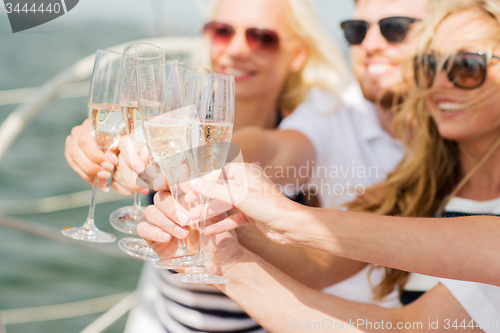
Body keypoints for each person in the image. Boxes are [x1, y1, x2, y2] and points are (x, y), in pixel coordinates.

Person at [141, 0, 500, 330]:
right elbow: (275, 153)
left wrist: (285, 217)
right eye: (429, 64)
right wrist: (218, 243)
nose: (438, 82)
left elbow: (416, 325)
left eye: (467, 66)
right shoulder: (416, 180)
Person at [65, 0, 350, 331]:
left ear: (297, 54)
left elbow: (250, 150)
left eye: (262, 37)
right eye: (222, 32)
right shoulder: (170, 118)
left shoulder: (302, 134)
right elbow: (131, 145)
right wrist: (106, 154)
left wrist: (168, 164)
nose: (237, 50)